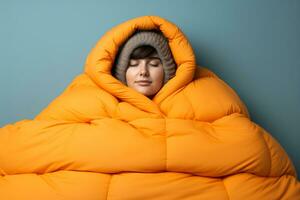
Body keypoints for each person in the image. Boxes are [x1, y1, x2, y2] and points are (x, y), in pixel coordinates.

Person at [0, 15, 299, 199]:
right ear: (121, 71)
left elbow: (251, 147)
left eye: (154, 64)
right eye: (134, 64)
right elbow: (33, 144)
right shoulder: (87, 93)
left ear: (168, 70)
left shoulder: (206, 89)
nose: (143, 72)